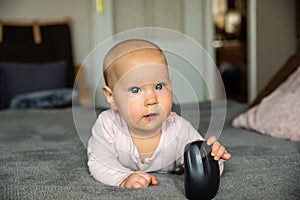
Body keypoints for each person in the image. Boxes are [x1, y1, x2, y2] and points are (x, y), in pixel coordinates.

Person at [87, 39, 231, 188]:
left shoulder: (178, 129)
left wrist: (213, 157)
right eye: (135, 90)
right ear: (112, 97)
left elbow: (200, 165)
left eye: (159, 86)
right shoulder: (107, 124)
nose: (151, 100)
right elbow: (99, 161)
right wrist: (123, 178)